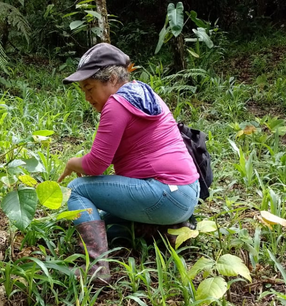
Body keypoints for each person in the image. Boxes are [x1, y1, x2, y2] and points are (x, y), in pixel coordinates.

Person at [57, 43, 200, 285]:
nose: (87, 97)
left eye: (90, 88)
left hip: (164, 191)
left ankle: (96, 268)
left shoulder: (116, 104)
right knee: (98, 221)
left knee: (77, 190)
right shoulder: (144, 93)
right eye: (83, 90)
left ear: (112, 79)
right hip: (186, 193)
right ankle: (165, 231)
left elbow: (96, 164)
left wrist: (72, 162)